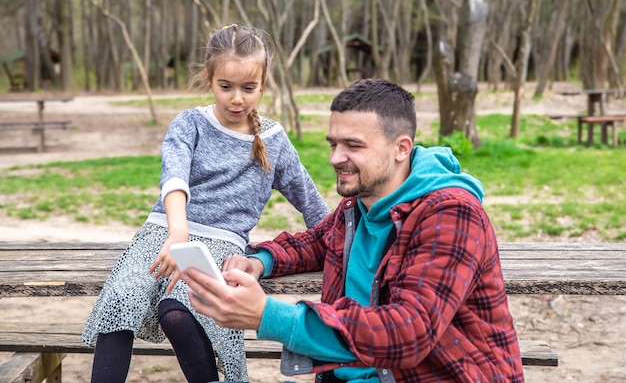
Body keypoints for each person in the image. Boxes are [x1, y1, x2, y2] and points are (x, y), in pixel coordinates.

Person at [181, 78, 525, 383]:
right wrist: (260, 261)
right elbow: (318, 241)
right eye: (333, 144)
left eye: (353, 146)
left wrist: (266, 315)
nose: (335, 158)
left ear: (401, 148)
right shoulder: (360, 204)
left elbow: (409, 332)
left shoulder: (451, 214)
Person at [81, 24, 329, 383]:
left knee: (179, 308)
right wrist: (177, 232)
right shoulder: (190, 123)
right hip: (166, 229)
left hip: (222, 241)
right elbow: (175, 177)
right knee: (124, 298)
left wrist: (340, 240)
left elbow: (309, 199)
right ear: (208, 79)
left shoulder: (273, 139)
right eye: (225, 87)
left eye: (248, 88)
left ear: (263, 84)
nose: (237, 99)